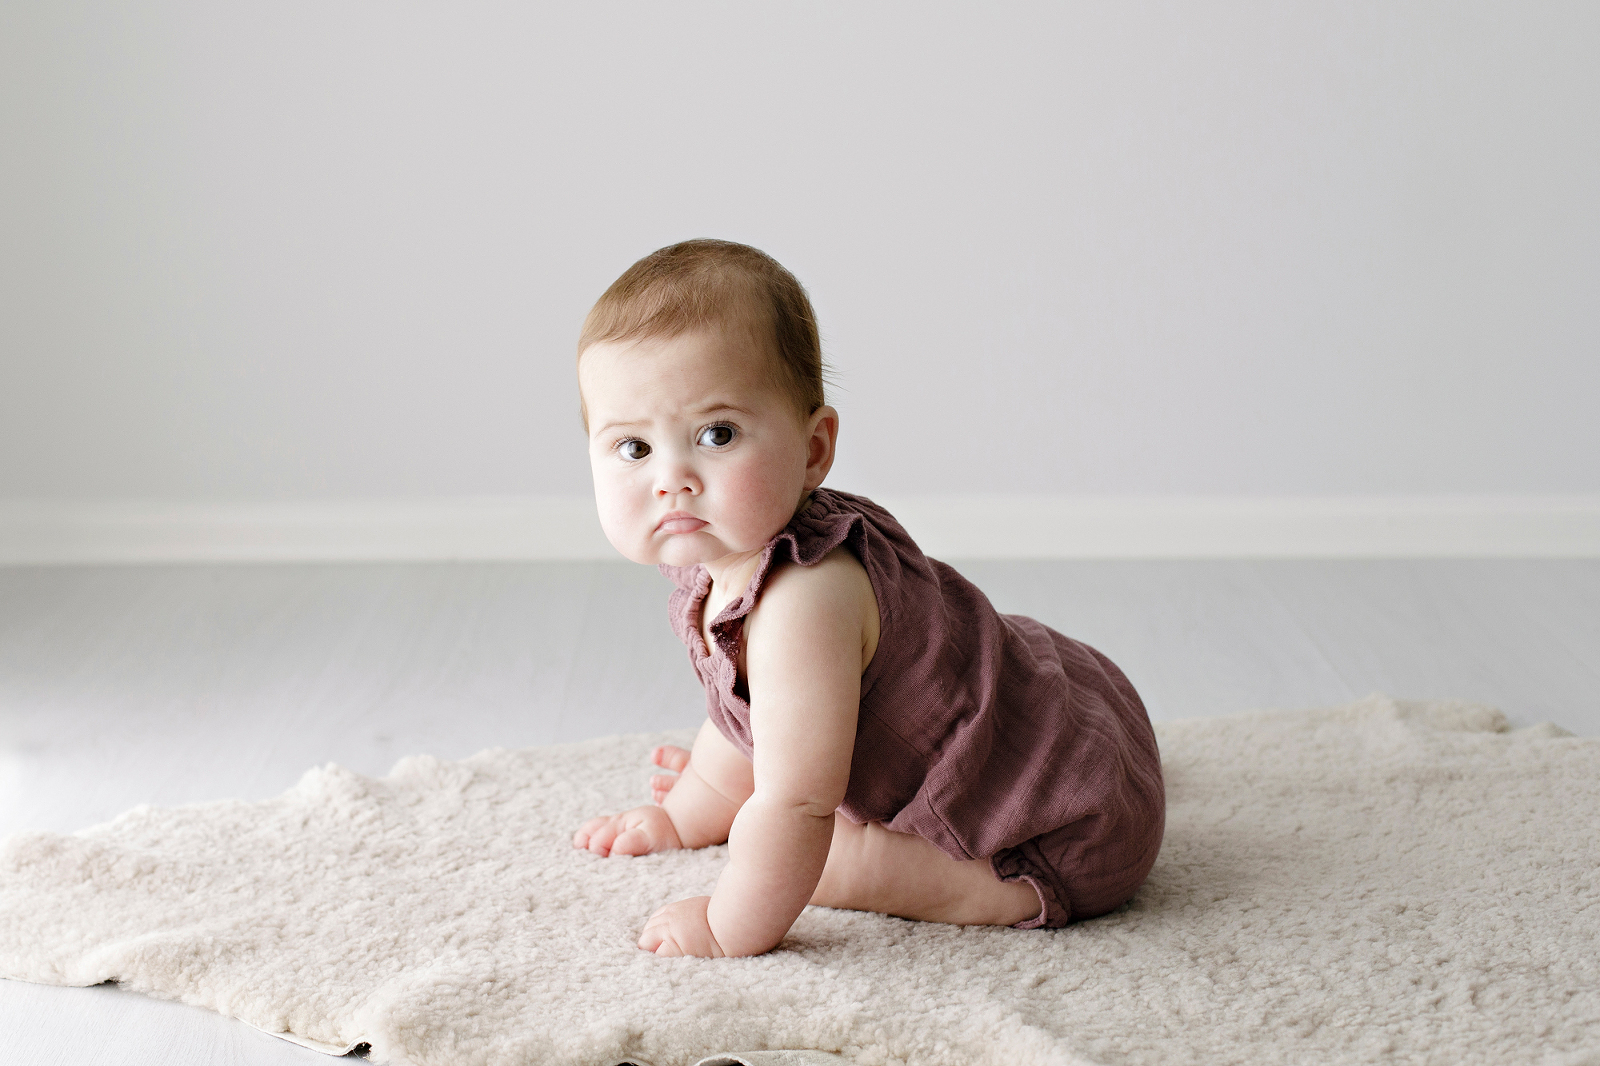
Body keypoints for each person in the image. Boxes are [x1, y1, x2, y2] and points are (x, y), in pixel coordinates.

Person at [571, 240, 1165, 958]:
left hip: (1061, 825)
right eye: (632, 448)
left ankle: (1001, 888)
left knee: (815, 861)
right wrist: (690, 812)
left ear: (814, 448)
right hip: (1072, 706)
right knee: (775, 803)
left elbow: (795, 799)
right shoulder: (728, 555)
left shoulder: (802, 602)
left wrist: (728, 925)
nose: (673, 479)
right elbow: (750, 716)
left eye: (716, 434)